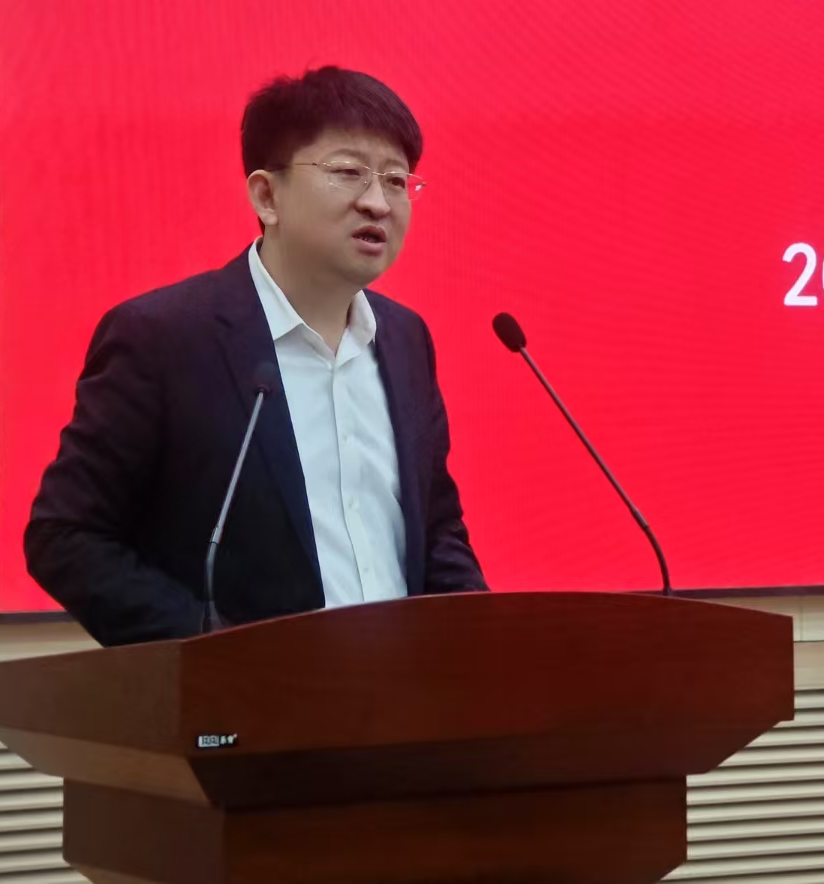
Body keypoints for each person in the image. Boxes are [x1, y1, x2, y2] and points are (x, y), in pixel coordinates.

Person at [25, 66, 487, 647]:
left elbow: (436, 528)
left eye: (396, 180)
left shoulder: (405, 339)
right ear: (267, 196)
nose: (378, 202)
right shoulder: (164, 338)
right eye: (348, 172)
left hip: (406, 692)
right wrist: (216, 653)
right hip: (250, 696)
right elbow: (66, 536)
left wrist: (482, 642)